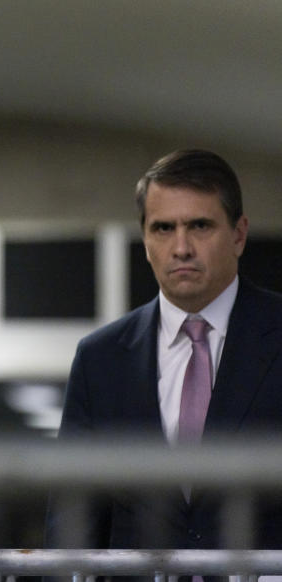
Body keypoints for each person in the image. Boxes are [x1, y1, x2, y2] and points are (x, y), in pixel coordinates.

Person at [47, 149, 282, 553]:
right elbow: (74, 521)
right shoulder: (100, 359)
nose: (181, 247)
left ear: (239, 235)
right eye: (163, 228)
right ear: (145, 239)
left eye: (200, 226)